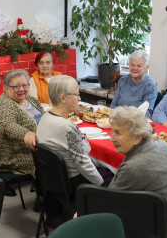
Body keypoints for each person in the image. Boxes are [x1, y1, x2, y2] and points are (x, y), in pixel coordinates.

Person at [37, 75, 113, 228]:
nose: (79, 98)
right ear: (63, 98)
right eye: (76, 94)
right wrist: (102, 186)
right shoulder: (67, 127)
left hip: (54, 182)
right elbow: (84, 163)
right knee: (113, 176)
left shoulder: (44, 117)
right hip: (74, 184)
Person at [109, 106, 167, 238]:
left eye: (118, 133)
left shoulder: (135, 167)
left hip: (161, 232)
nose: (112, 138)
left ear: (137, 138)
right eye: (112, 132)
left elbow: (106, 202)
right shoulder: (161, 144)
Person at [0, 69, 44, 176]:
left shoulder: (31, 100)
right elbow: (7, 125)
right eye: (16, 86)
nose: (21, 89)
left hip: (40, 145)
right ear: (6, 88)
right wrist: (26, 134)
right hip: (16, 155)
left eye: (25, 85)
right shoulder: (3, 105)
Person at [110, 50, 158, 114]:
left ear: (147, 67)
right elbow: (113, 105)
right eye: (132, 65)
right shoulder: (123, 80)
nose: (135, 68)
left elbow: (146, 113)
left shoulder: (151, 85)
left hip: (136, 121)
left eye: (139, 66)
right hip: (118, 119)